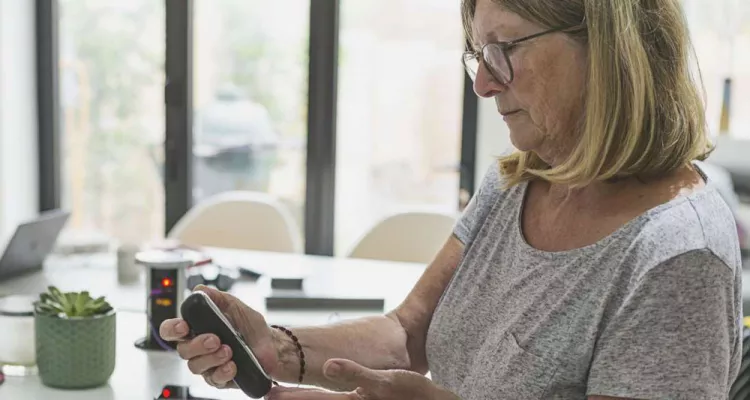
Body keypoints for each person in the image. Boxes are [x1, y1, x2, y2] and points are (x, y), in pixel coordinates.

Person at [160, 0, 743, 398]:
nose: (483, 83)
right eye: (479, 54)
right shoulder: (517, 182)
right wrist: (278, 349)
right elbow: (408, 335)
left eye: (504, 48)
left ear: (612, 49)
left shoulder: (679, 257)